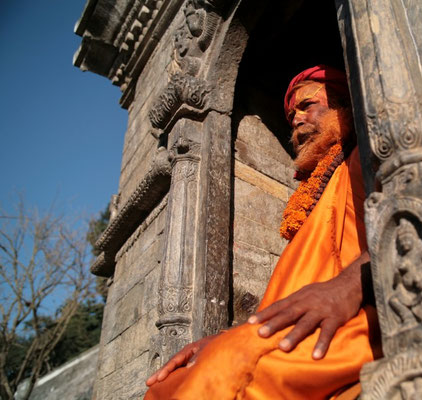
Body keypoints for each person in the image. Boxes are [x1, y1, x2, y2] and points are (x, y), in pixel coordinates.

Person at [144, 65, 380, 400]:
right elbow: (290, 297)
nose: (296, 121)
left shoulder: (363, 156)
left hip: (353, 323)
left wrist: (347, 286)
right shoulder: (312, 200)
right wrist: (237, 333)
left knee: (221, 374)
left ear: (344, 105)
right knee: (164, 387)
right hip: (294, 329)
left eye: (307, 106)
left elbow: (411, 216)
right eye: (291, 115)